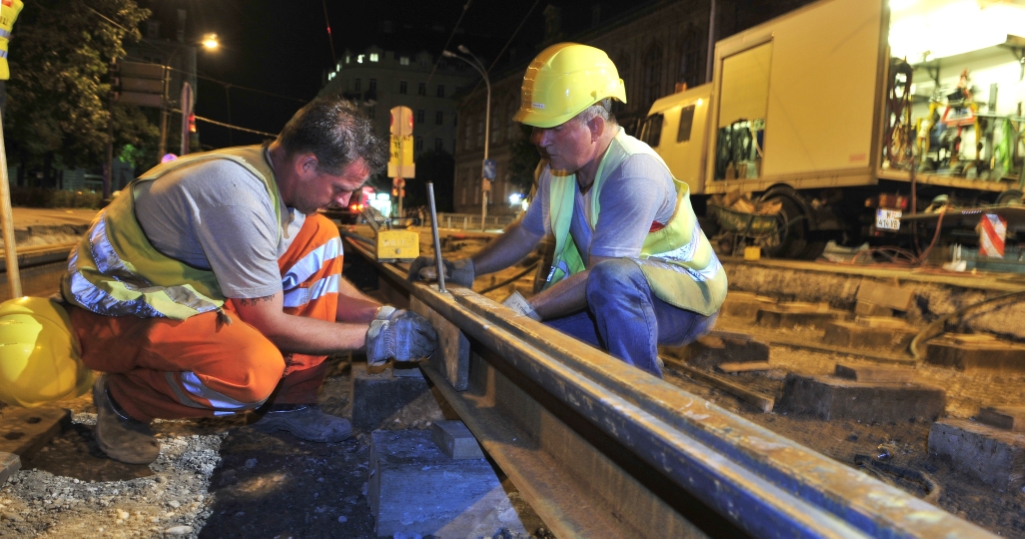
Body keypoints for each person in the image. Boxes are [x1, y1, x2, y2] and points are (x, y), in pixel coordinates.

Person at [63, 97, 437, 465]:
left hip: (173, 287)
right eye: (341, 187)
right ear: (307, 164)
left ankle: (288, 405)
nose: (344, 199)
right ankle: (124, 401)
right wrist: (379, 339)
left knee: (320, 235)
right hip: (121, 312)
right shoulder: (238, 196)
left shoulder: (271, 176)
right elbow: (269, 323)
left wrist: (381, 314)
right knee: (252, 373)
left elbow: (320, 282)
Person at [409, 43, 726, 378]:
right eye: (536, 126)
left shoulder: (634, 171)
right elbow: (526, 232)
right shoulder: (556, 171)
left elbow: (603, 275)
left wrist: (525, 309)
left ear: (595, 127)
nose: (538, 139)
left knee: (607, 281)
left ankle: (645, 395)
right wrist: (466, 268)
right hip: (614, 295)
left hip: (685, 303)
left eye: (554, 127)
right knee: (536, 342)